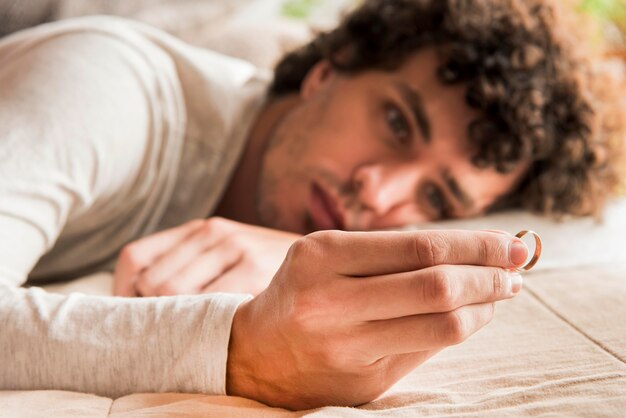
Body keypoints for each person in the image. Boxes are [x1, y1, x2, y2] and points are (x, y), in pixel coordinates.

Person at [0, 0, 623, 410]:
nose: (377, 193)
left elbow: (595, 234)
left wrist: (290, 248)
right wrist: (241, 352)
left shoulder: (330, 214)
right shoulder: (107, 90)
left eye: (436, 196)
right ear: (328, 72)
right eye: (396, 122)